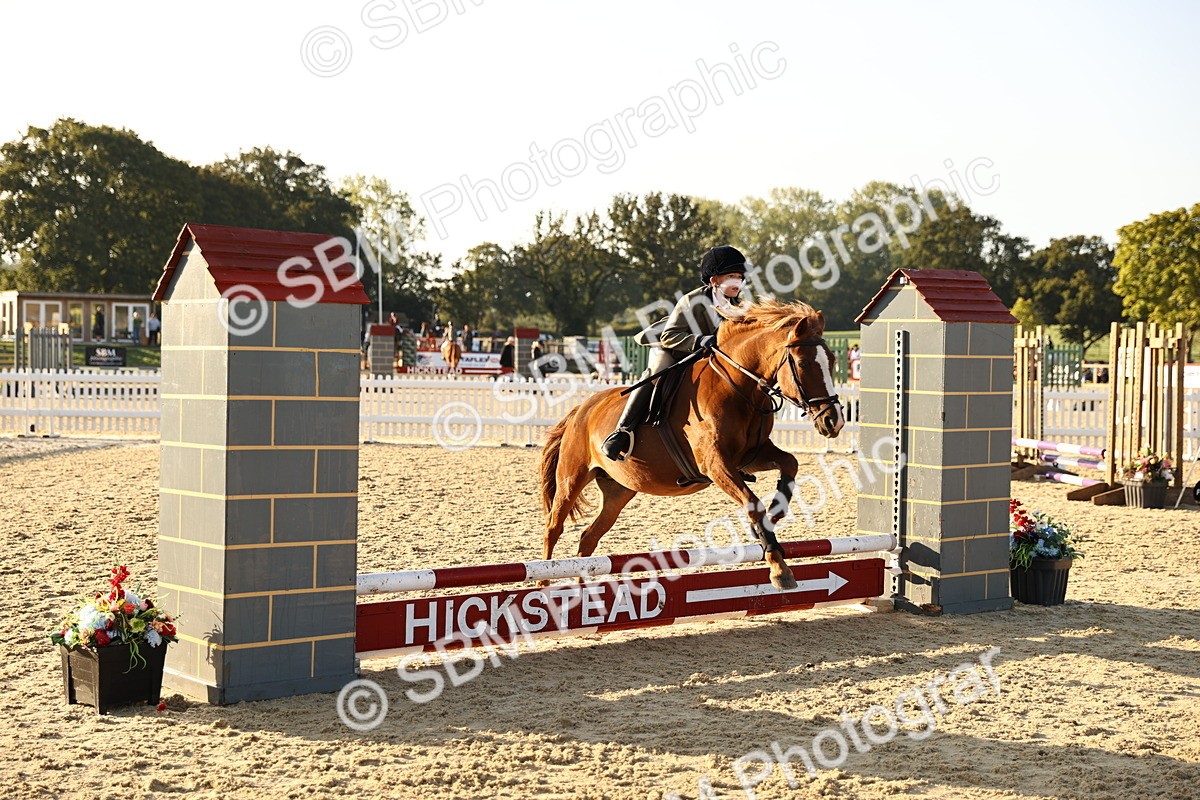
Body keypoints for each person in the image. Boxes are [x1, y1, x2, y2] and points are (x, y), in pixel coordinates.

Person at [601, 245, 748, 462]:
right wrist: (699, 340)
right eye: (731, 276)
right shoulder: (691, 301)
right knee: (658, 371)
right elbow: (669, 336)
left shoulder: (741, 306)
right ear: (714, 280)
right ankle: (622, 431)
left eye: (739, 277)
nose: (737, 281)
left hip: (706, 357)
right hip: (672, 347)